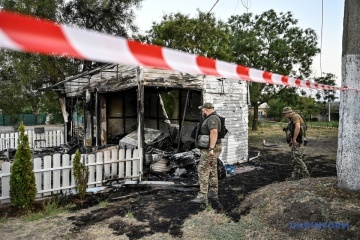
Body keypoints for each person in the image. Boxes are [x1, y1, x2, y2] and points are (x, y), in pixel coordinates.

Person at [191, 103, 222, 204]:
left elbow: (214, 132)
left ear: (206, 110)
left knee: (203, 169)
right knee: (212, 168)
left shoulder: (212, 119)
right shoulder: (211, 118)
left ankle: (202, 196)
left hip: (209, 149)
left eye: (202, 110)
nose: (201, 112)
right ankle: (213, 192)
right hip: (210, 148)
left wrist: (211, 149)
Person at [282, 106, 310, 179]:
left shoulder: (295, 116)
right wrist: (292, 140)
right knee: (294, 158)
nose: (284, 116)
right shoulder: (292, 118)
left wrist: (294, 139)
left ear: (288, 113)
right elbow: (293, 130)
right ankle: (296, 176)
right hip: (296, 140)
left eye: (285, 114)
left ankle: (306, 174)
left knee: (297, 158)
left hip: (298, 140)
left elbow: (297, 128)